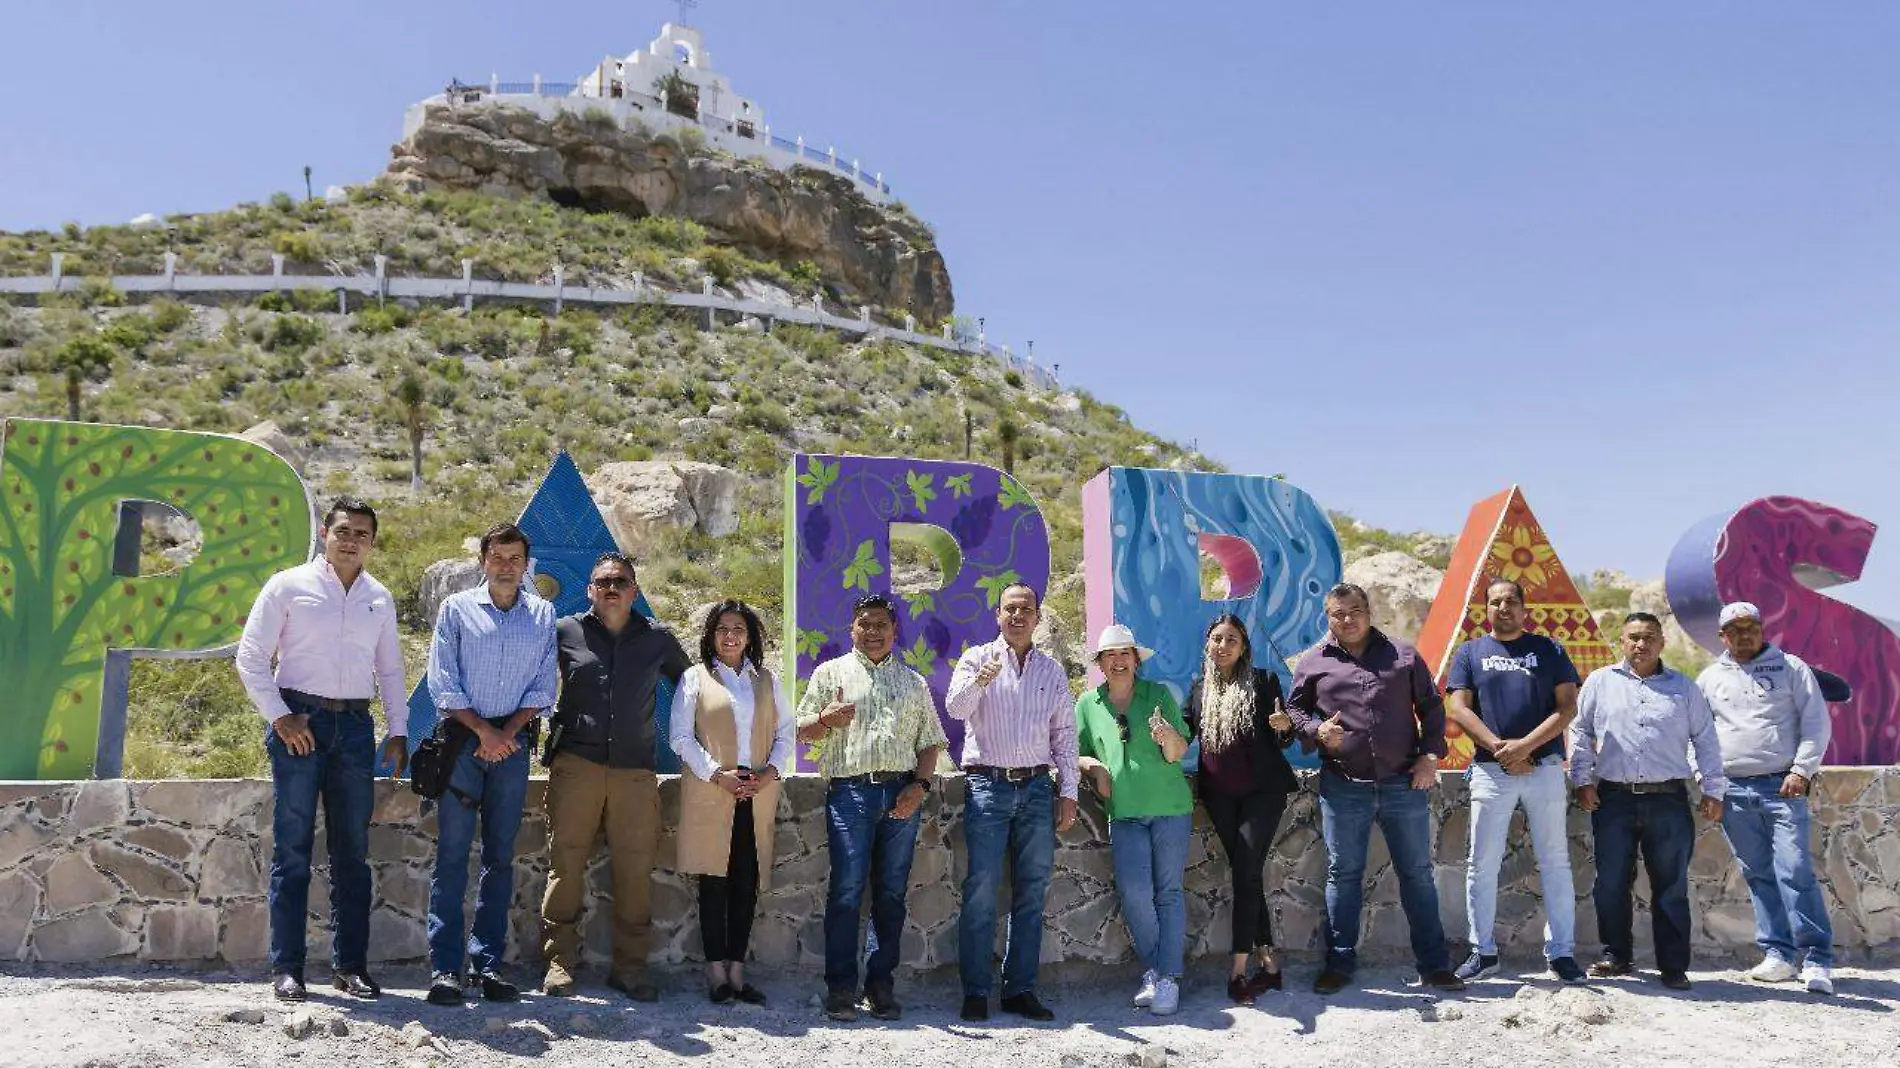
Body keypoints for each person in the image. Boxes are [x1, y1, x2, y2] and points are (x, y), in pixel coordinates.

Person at [234, 496, 408, 1003]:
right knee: (292, 850)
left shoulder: (379, 597)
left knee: (352, 852)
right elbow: (250, 656)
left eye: (362, 534)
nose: (351, 540)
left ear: (373, 543)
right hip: (299, 723)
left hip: (355, 727)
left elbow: (391, 671)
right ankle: (287, 968)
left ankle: (350, 967)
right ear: (324, 533)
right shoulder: (289, 585)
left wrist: (397, 730)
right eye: (343, 530)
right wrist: (280, 716)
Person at [1287, 583, 1463, 995]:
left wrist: (1429, 756)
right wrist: (1316, 730)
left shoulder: (1403, 655)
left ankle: (1435, 965)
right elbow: (1295, 709)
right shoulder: (1313, 663)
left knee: (1417, 875)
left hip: (1405, 784)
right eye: (1337, 613)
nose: (1347, 619)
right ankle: (1339, 965)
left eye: (1355, 611)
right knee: (1343, 875)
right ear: (1326, 617)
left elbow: (1432, 707)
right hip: (1343, 787)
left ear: (1369, 612)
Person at [541, 551, 691, 1000]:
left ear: (635, 591)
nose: (611, 588)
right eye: (603, 581)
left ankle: (630, 969)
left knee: (634, 870)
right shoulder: (565, 631)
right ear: (589, 589)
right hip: (576, 767)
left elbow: (693, 687)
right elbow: (531, 680)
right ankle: (558, 962)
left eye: (621, 581)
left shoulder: (658, 639)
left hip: (634, 773)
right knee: (565, 865)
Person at [421, 523, 558, 1006]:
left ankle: (487, 966)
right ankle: (444, 970)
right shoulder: (456, 610)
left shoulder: (542, 614)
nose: (505, 566)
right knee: (453, 857)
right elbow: (443, 681)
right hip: (463, 745)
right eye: (497, 557)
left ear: (526, 563)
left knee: (499, 859)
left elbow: (544, 686)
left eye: (514, 558)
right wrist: (484, 733)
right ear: (483, 560)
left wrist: (505, 734)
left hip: (512, 748)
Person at [796, 593, 948, 1022]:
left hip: (901, 794)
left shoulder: (914, 684)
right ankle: (840, 989)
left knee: (891, 894)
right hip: (850, 795)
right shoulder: (830, 674)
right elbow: (801, 731)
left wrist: (918, 787)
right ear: (852, 629)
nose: (874, 631)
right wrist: (826, 719)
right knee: (845, 891)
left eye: (882, 623)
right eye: (866, 623)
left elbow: (930, 743)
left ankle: (881, 986)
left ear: (895, 631)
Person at [1569, 612, 1726, 990]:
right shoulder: (1600, 682)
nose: (1641, 644)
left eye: (1649, 637)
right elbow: (1580, 730)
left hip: (1668, 800)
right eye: (1634, 637)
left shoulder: (1684, 688)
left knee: (1670, 885)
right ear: (1622, 641)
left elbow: (1705, 738)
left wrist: (1713, 788)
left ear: (1662, 643)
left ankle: (1673, 965)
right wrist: (1582, 779)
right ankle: (1616, 955)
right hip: (1613, 799)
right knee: (1610, 882)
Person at [944, 583, 1079, 1023]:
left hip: (1038, 790)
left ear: (1037, 618)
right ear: (997, 615)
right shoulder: (975, 658)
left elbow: (1064, 735)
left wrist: (1070, 792)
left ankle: (1020, 989)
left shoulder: (1052, 671)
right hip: (988, 787)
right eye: (1010, 609)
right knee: (981, 890)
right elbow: (957, 709)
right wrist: (982, 681)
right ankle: (976, 991)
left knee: (1031, 893)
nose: (1018, 616)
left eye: (1026, 609)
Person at [1444, 579, 1585, 984]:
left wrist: (1525, 747)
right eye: (1495, 602)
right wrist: (1501, 748)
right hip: (1491, 771)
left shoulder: (1549, 650)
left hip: (1544, 770)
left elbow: (1567, 707)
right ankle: (1483, 951)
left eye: (1511, 601)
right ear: (1485, 609)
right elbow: (1458, 706)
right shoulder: (1471, 652)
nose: (1503, 607)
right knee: (1481, 864)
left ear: (1525, 609)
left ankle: (1561, 954)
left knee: (1555, 862)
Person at [1697, 602, 1836, 995]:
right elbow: (1698, 736)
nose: (1745, 634)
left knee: (1795, 871)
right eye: (1735, 628)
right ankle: (1778, 954)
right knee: (1758, 874)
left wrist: (1800, 770)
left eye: (1751, 626)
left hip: (1782, 787)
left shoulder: (1792, 668)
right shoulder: (1709, 679)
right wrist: (1708, 783)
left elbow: (1816, 724)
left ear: (1762, 629)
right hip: (1732, 790)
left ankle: (1816, 959)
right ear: (1722, 636)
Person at [669, 599, 795, 1005]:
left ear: (749, 636)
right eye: (722, 628)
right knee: (714, 880)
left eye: (738, 629)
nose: (730, 636)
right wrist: (717, 775)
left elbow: (786, 734)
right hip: (712, 789)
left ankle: (738, 971)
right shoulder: (694, 678)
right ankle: (715, 972)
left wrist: (768, 773)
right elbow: (681, 737)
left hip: (756, 791)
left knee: (746, 881)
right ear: (711, 635)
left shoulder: (767, 681)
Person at [1075, 623, 1195, 1016]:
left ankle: (1166, 978)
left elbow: (1179, 752)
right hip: (1123, 812)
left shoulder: (1158, 695)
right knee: (1135, 893)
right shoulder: (1087, 705)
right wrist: (1093, 766)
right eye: (1110, 655)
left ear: (1135, 660)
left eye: (1125, 653)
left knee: (1168, 893)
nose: (1118, 661)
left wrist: (1166, 737)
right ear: (1101, 663)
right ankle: (1161, 970)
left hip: (1170, 808)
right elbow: (1074, 753)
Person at [1182, 614, 1300, 1005]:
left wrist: (1284, 726)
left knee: (1246, 874)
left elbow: (1283, 737)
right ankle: (1270, 965)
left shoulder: (1263, 682)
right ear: (1207, 645)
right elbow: (1184, 733)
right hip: (1219, 796)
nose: (1223, 645)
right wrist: (1164, 732)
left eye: (1232, 639)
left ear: (1244, 646)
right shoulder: (1199, 689)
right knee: (1246, 875)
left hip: (1262, 793)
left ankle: (1237, 971)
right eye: (1217, 638)